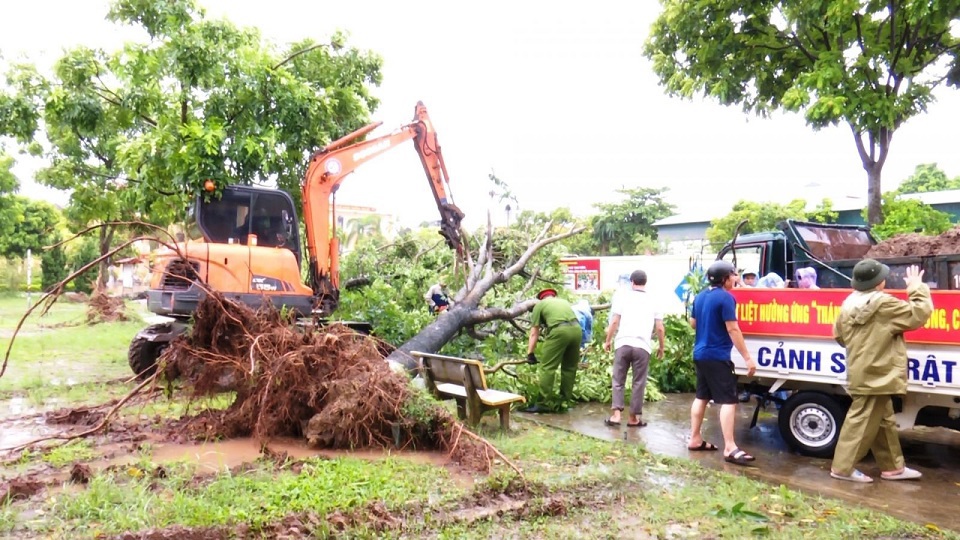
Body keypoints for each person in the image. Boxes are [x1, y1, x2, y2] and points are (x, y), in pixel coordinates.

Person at [829, 260, 932, 483]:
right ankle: (842, 468)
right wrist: (916, 286)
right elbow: (919, 313)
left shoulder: (848, 303)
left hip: (861, 369)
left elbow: (839, 335)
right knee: (862, 420)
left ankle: (893, 467)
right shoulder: (883, 303)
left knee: (883, 420)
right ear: (879, 282)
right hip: (879, 372)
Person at [687, 260, 758, 465]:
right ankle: (730, 447)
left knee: (701, 396)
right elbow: (733, 329)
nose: (735, 279)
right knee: (729, 401)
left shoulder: (700, 296)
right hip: (717, 356)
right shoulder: (726, 298)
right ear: (725, 278)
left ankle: (694, 438)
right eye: (733, 275)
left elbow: (693, 323)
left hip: (700, 354)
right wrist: (747, 357)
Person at [603, 269, 665, 428]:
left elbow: (615, 322)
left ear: (632, 282)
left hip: (623, 343)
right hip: (642, 346)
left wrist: (608, 340)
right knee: (639, 382)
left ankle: (616, 416)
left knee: (618, 379)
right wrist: (661, 347)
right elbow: (659, 328)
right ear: (645, 282)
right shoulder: (654, 300)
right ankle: (633, 418)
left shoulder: (623, 297)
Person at [525, 288, 582, 413]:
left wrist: (530, 353)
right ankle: (564, 401)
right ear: (554, 296)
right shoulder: (564, 302)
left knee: (548, 368)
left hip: (559, 331)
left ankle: (542, 403)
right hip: (577, 330)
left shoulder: (539, 305)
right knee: (570, 368)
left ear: (541, 298)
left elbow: (534, 332)